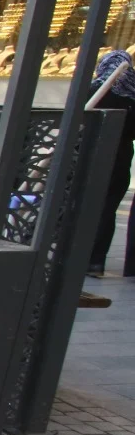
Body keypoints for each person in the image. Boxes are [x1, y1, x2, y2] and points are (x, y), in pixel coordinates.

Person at [88, 50, 135, 278]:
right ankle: (96, 262)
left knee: (82, 205)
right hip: (120, 159)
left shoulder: (94, 89)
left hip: (90, 156)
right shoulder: (132, 94)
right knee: (107, 210)